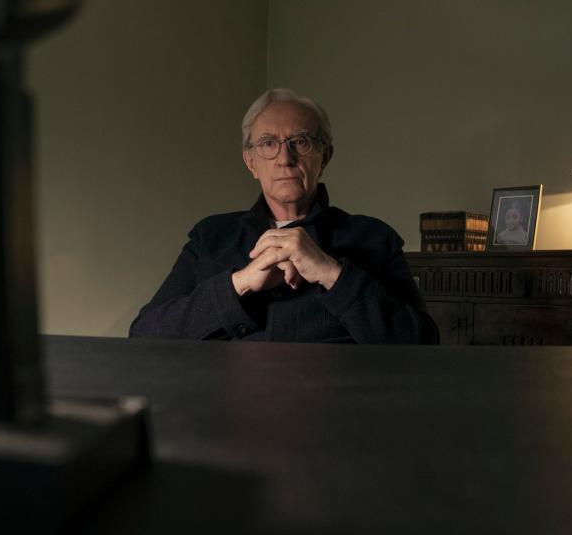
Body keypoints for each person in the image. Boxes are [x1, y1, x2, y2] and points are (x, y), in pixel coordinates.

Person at [128, 88, 439, 344]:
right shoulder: (210, 236)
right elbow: (144, 335)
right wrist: (240, 283)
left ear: (325, 157)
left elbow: (422, 344)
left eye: (300, 142)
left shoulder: (374, 237)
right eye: (268, 144)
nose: (285, 159)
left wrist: (331, 272)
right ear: (250, 162)